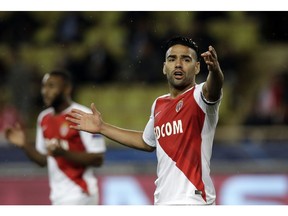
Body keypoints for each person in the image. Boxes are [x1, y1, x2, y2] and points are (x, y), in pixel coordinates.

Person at [66, 36, 224, 205]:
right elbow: (147, 142)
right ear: (164, 67)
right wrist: (102, 127)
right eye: (172, 59)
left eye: (186, 59)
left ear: (197, 67)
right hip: (163, 201)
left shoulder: (200, 96)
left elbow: (213, 88)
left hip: (195, 200)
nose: (178, 64)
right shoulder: (159, 104)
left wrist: (215, 71)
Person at [5, 69, 106, 205]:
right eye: (43, 86)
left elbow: (97, 159)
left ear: (67, 89)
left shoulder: (82, 115)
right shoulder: (43, 118)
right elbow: (43, 160)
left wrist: (63, 153)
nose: (44, 91)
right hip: (57, 197)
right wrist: (24, 144)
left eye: (51, 86)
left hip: (81, 193)